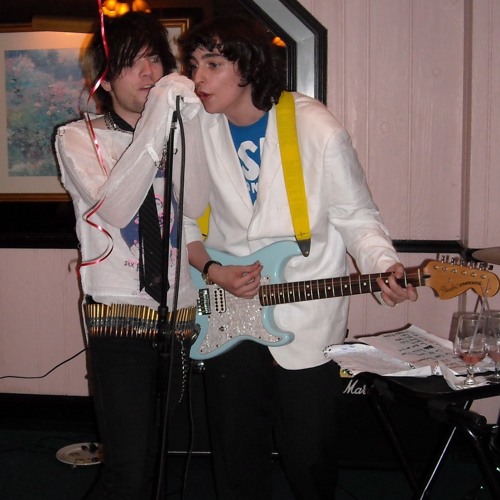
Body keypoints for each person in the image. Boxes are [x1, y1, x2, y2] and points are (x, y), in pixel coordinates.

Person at [178, 15, 418, 500]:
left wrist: (381, 265)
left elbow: (356, 215)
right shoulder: (196, 128)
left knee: (310, 456)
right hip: (226, 310)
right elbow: (180, 219)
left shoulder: (316, 127)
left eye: (213, 64)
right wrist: (213, 271)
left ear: (249, 66)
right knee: (236, 454)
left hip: (307, 317)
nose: (198, 78)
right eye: (194, 64)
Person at [55, 12, 207, 500]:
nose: (149, 73)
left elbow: (197, 205)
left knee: (161, 453)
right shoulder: (77, 137)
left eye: (155, 59)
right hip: (118, 313)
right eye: (131, 62)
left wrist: (190, 127)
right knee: (126, 464)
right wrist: (159, 119)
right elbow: (115, 208)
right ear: (105, 78)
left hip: (177, 310)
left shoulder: (173, 131)